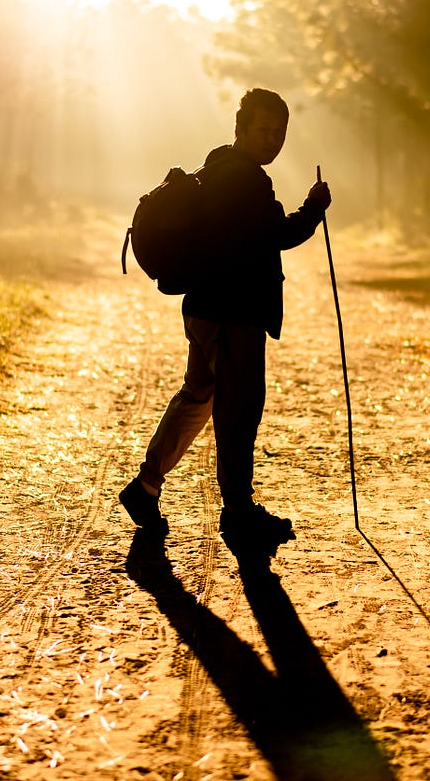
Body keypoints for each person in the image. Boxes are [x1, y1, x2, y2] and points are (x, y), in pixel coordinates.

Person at [120, 88, 332, 549]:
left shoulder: (217, 169)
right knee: (238, 412)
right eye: (263, 130)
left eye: (279, 133)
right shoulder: (246, 181)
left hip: (204, 308)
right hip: (233, 314)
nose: (272, 140)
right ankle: (237, 512)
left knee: (199, 396)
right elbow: (278, 234)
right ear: (241, 129)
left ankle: (145, 487)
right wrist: (314, 208)